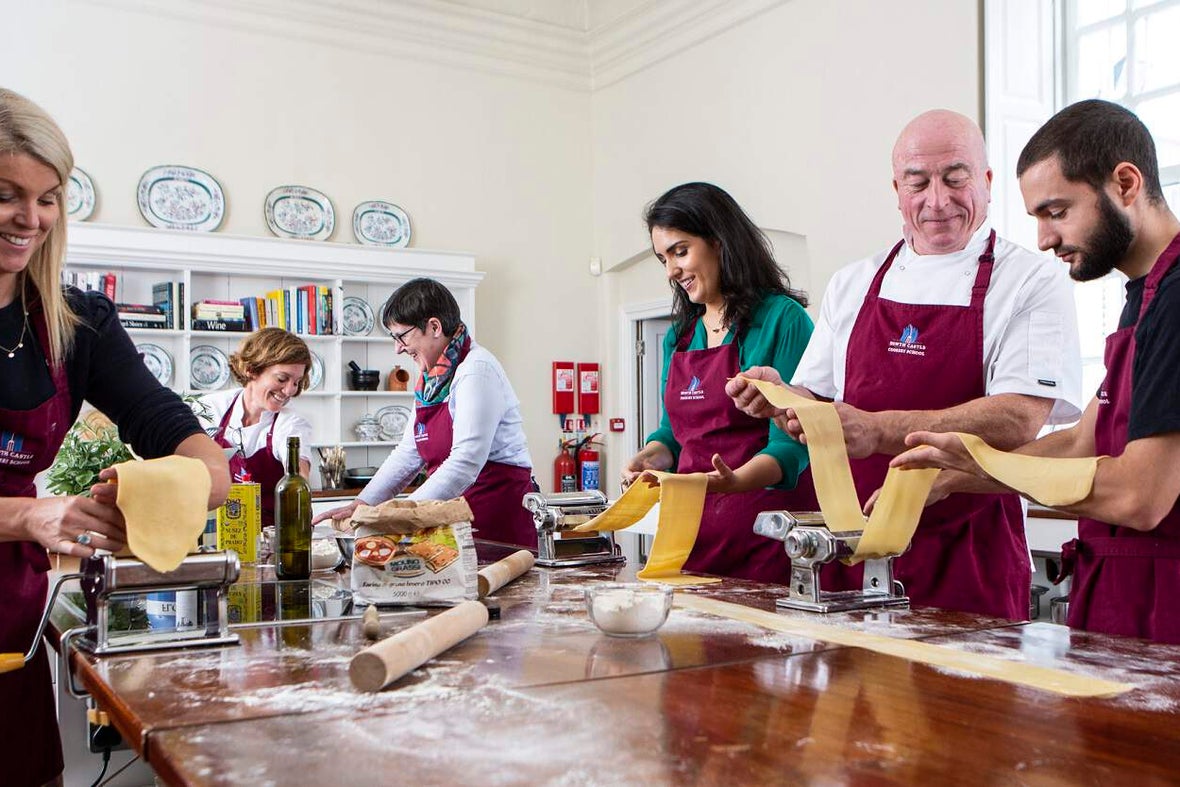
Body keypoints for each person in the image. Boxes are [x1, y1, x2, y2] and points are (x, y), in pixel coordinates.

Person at [727, 110, 1084, 619]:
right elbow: (816, 401)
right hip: (853, 548)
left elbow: (1018, 416)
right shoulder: (854, 283)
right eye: (918, 183)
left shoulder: (1029, 281)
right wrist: (781, 397)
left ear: (986, 182)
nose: (937, 201)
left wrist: (877, 430)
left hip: (969, 557)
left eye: (955, 179)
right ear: (897, 189)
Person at [0, 89, 230, 787]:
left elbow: (199, 456)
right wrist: (33, 514)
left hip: (7, 630)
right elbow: (35, 513)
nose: (29, 218)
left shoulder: (77, 325)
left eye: (48, 197)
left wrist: (155, 503)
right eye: (6, 193)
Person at [893, 100, 1180, 643]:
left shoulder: (1177, 297)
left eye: (1057, 211)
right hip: (1127, 604)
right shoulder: (1145, 295)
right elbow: (1085, 439)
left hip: (1165, 608)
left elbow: (1141, 495)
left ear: (1124, 183)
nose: (1045, 239)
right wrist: (963, 472)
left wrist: (988, 467)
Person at [621, 182, 815, 582]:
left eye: (680, 251)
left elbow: (793, 447)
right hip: (689, 535)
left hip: (765, 539)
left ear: (720, 242)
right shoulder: (680, 336)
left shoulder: (783, 319)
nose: (672, 271)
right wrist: (652, 456)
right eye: (664, 259)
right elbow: (674, 434)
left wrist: (733, 482)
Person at [314, 278, 536, 547]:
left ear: (434, 327)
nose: (398, 347)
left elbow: (465, 462)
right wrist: (363, 503)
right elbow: (409, 452)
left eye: (401, 336)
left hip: (495, 521)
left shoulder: (476, 370)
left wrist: (399, 514)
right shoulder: (432, 379)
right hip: (451, 519)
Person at [199, 327, 313, 526]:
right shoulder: (211, 408)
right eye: (282, 379)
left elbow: (297, 472)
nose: (289, 390)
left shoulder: (290, 423)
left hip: (271, 539)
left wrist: (299, 481)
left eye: (297, 382)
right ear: (251, 369)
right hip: (216, 534)